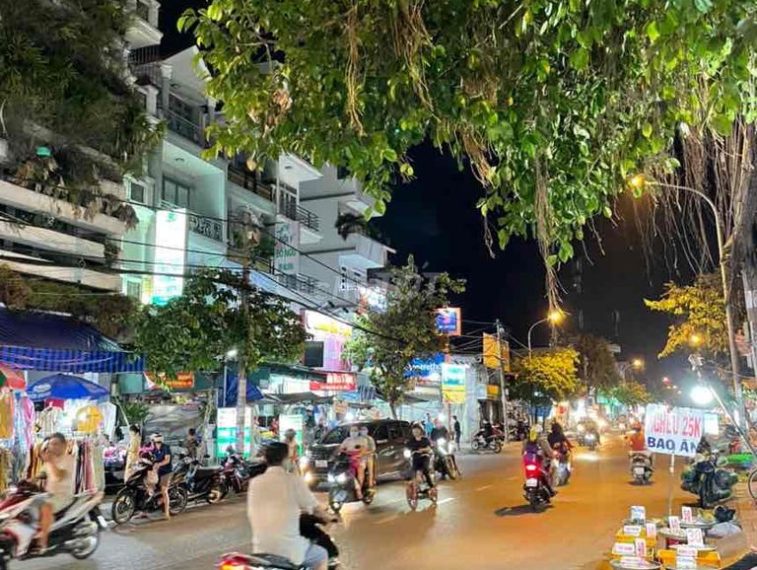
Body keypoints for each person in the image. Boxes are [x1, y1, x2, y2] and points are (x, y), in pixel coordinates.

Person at [248, 442, 329, 570]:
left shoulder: (255, 483)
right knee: (321, 554)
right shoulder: (293, 480)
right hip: (288, 550)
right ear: (285, 460)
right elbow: (315, 508)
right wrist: (328, 517)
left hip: (260, 549)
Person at [36, 433, 75, 551]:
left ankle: (42, 542)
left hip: (63, 496)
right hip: (49, 494)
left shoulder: (69, 460)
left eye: (55, 444)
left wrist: (50, 461)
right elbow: (41, 474)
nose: (52, 447)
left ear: (64, 445)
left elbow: (59, 476)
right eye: (51, 444)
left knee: (46, 507)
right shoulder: (50, 460)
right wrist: (29, 480)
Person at [522, 425, 556, 497]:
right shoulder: (543, 441)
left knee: (529, 475)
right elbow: (550, 453)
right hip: (540, 464)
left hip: (528, 464)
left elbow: (522, 453)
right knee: (553, 470)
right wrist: (552, 456)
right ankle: (551, 488)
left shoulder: (525, 441)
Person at [339, 426, 368, 498]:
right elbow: (341, 448)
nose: (353, 432)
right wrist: (345, 452)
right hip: (349, 459)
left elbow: (364, 450)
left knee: (360, 469)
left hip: (359, 459)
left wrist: (357, 455)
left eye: (355, 430)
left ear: (358, 432)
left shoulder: (362, 440)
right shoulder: (347, 440)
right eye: (352, 431)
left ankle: (359, 490)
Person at [150, 433, 173, 520]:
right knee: (148, 488)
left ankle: (167, 512)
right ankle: (143, 512)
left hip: (165, 472)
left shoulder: (166, 447)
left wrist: (159, 464)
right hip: (156, 472)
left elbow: (167, 460)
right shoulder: (153, 449)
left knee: (164, 490)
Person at [406, 424, 434, 489]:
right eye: (414, 431)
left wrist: (423, 450)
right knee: (412, 470)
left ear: (420, 431)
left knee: (425, 469)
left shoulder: (425, 440)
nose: (415, 432)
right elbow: (407, 448)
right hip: (415, 458)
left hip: (424, 457)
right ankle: (415, 485)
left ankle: (431, 485)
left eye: (417, 431)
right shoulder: (411, 441)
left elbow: (429, 448)